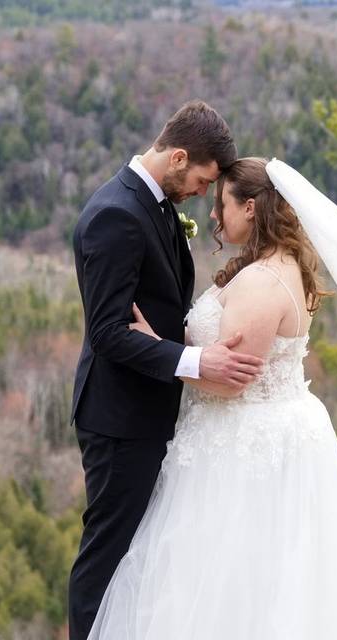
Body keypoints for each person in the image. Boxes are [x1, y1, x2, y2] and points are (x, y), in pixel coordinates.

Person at [87, 157, 337, 638]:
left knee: (227, 586)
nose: (215, 216)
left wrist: (156, 349)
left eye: (222, 203)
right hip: (251, 435)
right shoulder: (279, 266)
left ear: (251, 207)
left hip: (238, 446)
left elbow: (228, 381)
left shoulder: (262, 282)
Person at [68, 102, 265, 640]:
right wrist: (197, 361)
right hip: (119, 418)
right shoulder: (116, 213)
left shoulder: (153, 204)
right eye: (202, 180)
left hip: (150, 412)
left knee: (141, 555)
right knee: (108, 556)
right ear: (178, 157)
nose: (204, 193)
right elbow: (108, 332)